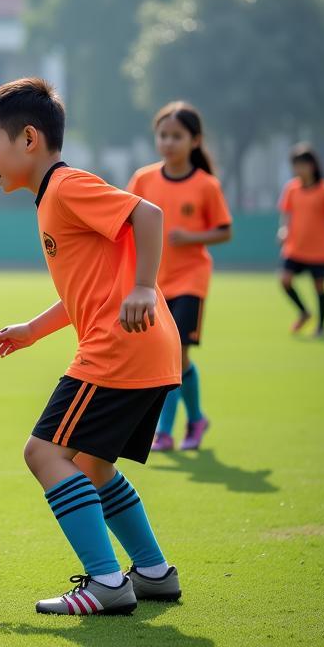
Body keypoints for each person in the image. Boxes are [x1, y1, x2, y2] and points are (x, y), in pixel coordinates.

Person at [0, 78, 181, 615]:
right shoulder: (51, 199)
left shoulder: (66, 187)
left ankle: (107, 583)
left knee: (43, 452)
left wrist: (143, 286)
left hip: (119, 348)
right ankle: (154, 572)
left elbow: (149, 215)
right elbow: (84, 293)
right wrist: (31, 330)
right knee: (91, 464)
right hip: (149, 349)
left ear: (27, 139)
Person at [128, 102, 232, 452]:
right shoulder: (143, 178)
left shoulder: (206, 185)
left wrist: (191, 237)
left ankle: (166, 431)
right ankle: (197, 418)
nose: (168, 142)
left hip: (191, 279)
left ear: (195, 140)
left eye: (176, 136)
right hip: (153, 283)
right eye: (163, 135)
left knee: (175, 355)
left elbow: (224, 231)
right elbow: (125, 220)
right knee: (171, 357)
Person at [278, 143, 324, 338]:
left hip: (319, 249)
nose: (298, 170)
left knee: (319, 286)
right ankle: (304, 311)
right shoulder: (291, 189)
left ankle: (320, 327)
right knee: (285, 281)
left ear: (312, 165)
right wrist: (283, 230)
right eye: (295, 166)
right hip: (295, 247)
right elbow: (286, 214)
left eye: (301, 165)